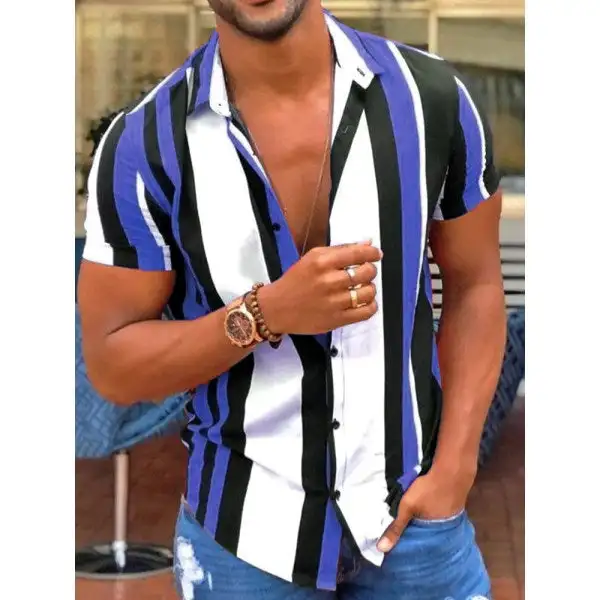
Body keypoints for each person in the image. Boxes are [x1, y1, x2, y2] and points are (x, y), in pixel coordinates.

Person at [77, 0, 506, 597]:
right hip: (242, 539)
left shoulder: (430, 98)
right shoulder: (143, 145)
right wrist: (265, 314)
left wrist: (456, 467)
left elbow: (476, 285)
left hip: (417, 524)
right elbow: (112, 365)